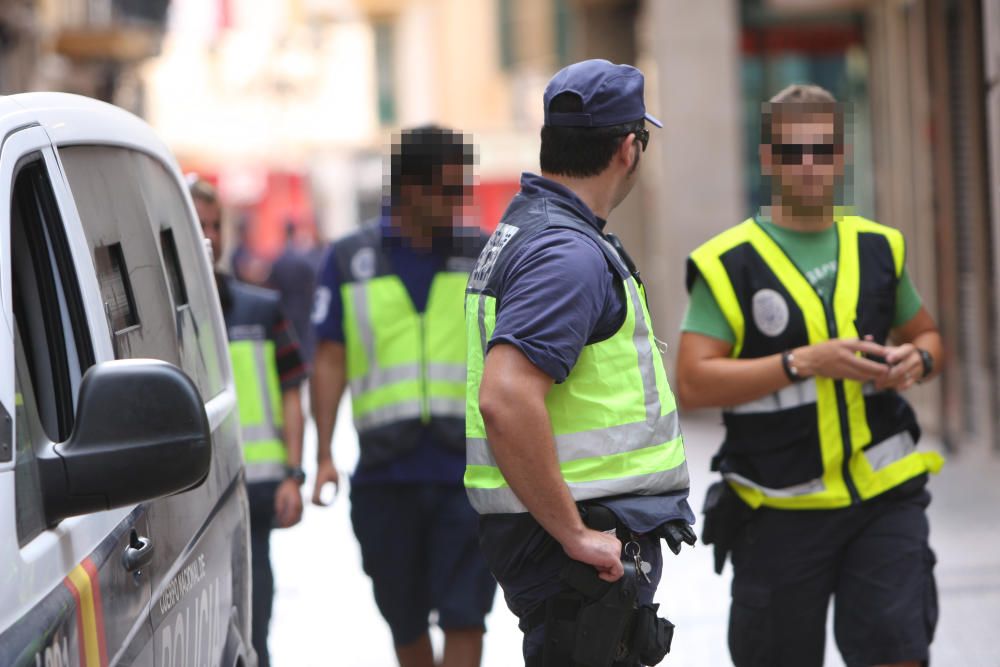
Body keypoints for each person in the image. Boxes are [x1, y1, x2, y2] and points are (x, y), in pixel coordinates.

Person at [675, 84, 944, 667]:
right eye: (793, 152)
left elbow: (929, 337)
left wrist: (917, 360)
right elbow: (692, 383)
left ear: (841, 155)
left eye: (822, 150)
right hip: (777, 514)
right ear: (767, 158)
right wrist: (801, 363)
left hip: (884, 502)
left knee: (899, 653)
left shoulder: (879, 247)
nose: (810, 166)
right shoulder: (730, 263)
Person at [464, 59, 696, 667]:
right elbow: (506, 397)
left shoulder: (536, 232)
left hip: (564, 546)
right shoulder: (566, 253)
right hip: (574, 553)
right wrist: (574, 534)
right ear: (628, 149)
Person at [310, 126, 497, 667]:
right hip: (385, 478)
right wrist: (324, 455)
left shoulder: (483, 257)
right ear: (411, 189)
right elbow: (330, 358)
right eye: (451, 190)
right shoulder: (348, 260)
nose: (462, 204)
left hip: (468, 476)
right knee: (405, 619)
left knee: (467, 615)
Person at [190, 178, 308, 667]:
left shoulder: (261, 309)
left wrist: (293, 474)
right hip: (189, 506)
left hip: (253, 495)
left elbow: (290, 392)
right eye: (198, 224)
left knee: (254, 631)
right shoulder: (165, 318)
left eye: (216, 224)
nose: (211, 235)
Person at [268, 220, 320, 367]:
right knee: (303, 338)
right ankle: (305, 362)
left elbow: (272, 283)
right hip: (302, 306)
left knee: (291, 338)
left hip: (287, 305)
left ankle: (298, 363)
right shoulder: (301, 258)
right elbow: (311, 280)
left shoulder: (279, 260)